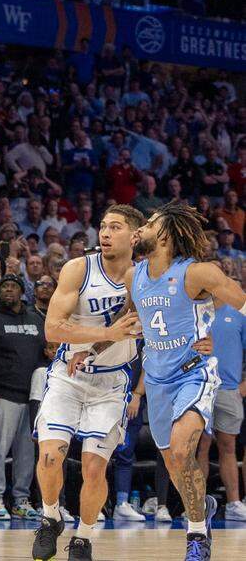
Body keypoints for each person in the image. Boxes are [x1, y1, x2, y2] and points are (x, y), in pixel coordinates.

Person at [128, 202, 246, 561]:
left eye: (146, 223)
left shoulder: (197, 272)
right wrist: (94, 345)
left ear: (163, 233)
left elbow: (240, 303)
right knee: (175, 465)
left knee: (182, 450)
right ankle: (203, 511)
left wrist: (211, 329)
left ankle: (196, 535)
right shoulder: (135, 276)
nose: (139, 228)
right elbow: (134, 321)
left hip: (194, 373)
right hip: (159, 380)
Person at [32, 205, 145, 561]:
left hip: (113, 382)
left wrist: (97, 344)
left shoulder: (141, 277)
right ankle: (50, 518)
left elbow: (130, 324)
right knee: (50, 456)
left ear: (135, 236)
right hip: (68, 375)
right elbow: (52, 328)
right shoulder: (78, 268)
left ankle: (83, 536)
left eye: (116, 227)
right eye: (103, 226)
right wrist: (104, 334)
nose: (106, 233)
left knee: (95, 466)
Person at [0, 274, 47, 521]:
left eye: (13, 287)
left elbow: (46, 353)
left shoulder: (36, 320)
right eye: (4, 287)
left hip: (32, 398)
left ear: (22, 292)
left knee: (26, 454)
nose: (8, 291)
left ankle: (21, 500)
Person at [201, 303, 246, 521]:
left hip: (229, 389)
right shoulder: (194, 309)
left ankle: (234, 503)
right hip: (200, 386)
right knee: (201, 445)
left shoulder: (238, 314)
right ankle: (197, 504)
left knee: (228, 446)